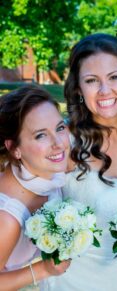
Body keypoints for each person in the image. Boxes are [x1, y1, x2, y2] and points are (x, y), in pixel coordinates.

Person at [43, 33, 117, 291]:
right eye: (92, 81)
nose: (105, 91)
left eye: (114, 77)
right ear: (78, 89)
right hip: (75, 284)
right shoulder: (64, 143)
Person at [0, 85, 71, 290]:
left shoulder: (44, 167)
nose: (59, 143)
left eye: (59, 127)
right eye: (41, 135)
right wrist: (43, 270)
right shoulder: (7, 220)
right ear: (15, 148)